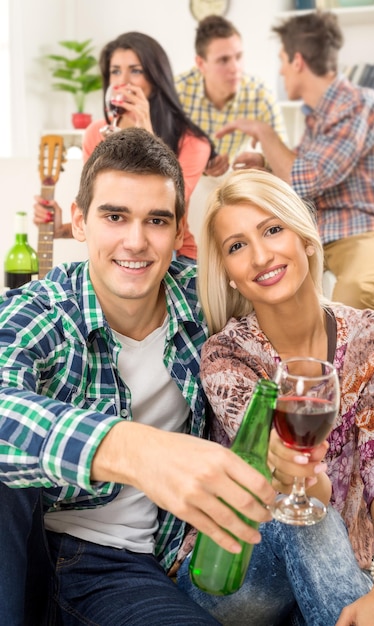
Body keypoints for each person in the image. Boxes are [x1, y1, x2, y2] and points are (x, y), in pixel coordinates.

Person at [0, 129, 276, 625]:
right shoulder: (44, 310)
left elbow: (301, 314)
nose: (136, 240)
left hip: (127, 564)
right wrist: (134, 451)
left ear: (178, 230)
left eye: (156, 220)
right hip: (34, 540)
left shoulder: (205, 297)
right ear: (80, 222)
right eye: (114, 216)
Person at [177, 168, 374, 625]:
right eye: (237, 246)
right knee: (301, 511)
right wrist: (303, 479)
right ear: (227, 273)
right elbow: (294, 485)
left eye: (272, 230)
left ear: (305, 237)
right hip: (234, 574)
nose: (261, 255)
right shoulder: (227, 356)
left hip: (335, 565)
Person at [215, 11, 374, 312]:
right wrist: (265, 164)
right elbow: (303, 173)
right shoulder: (318, 118)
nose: (281, 71)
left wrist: (264, 132)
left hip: (368, 230)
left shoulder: (361, 105)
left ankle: (366, 358)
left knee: (355, 291)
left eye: (282, 61)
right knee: (261, 282)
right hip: (318, 231)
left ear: (297, 61)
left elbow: (306, 178)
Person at [34, 31, 215, 264]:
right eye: (115, 71)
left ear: (156, 78)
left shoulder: (192, 141)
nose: (123, 81)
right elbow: (107, 215)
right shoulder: (95, 134)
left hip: (175, 255)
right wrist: (61, 229)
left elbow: (164, 206)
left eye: (136, 70)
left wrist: (147, 135)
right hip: (119, 253)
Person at [175, 14, 288, 177]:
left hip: (233, 179)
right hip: (186, 178)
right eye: (223, 60)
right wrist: (195, 161)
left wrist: (262, 160)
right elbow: (160, 150)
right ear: (201, 64)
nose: (235, 68)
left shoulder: (260, 94)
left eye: (239, 57)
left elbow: (284, 156)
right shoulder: (178, 90)